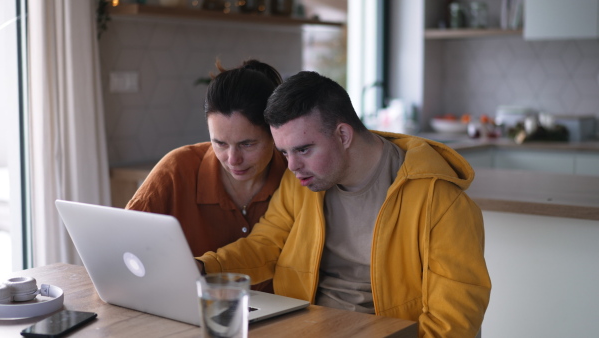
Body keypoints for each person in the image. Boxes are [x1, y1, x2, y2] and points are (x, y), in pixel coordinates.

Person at [197, 71, 492, 337]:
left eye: (303, 149)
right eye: (284, 152)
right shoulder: (304, 181)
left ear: (343, 134)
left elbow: (452, 323)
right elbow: (264, 244)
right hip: (303, 327)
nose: (292, 166)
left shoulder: (441, 202)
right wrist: (202, 267)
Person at [126, 59, 286, 293]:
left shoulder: (296, 175)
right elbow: (125, 244)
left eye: (247, 144)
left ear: (275, 134)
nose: (233, 159)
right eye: (220, 143)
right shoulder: (176, 169)